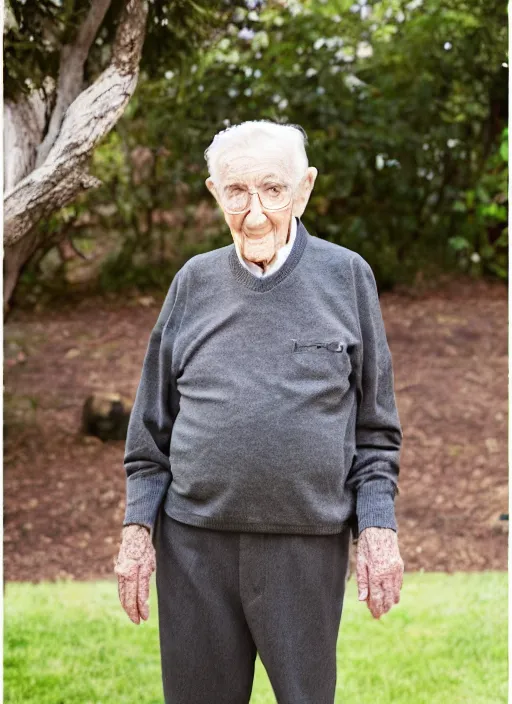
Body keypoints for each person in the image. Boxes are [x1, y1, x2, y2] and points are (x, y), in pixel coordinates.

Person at [114, 119, 404, 704]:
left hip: (305, 544)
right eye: (236, 192)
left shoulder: (346, 276)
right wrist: (137, 530)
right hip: (194, 548)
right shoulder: (192, 283)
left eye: (273, 190)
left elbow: (375, 431)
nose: (254, 212)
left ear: (304, 190)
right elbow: (150, 433)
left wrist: (377, 526)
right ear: (214, 193)